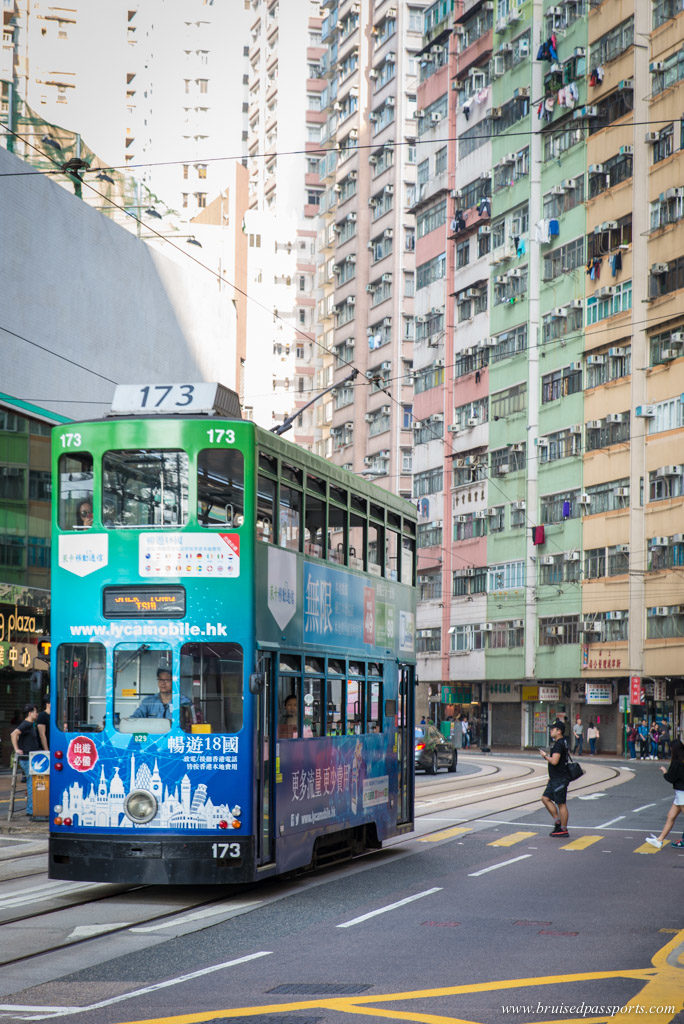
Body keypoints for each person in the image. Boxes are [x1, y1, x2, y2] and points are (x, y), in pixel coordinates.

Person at [645, 739, 684, 849]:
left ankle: (660, 840)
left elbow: (670, 778)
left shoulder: (676, 762)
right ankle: (659, 840)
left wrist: (664, 771)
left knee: (671, 817)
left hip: (682, 794)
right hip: (679, 794)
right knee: (670, 816)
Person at [540, 719, 570, 837]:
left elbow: (555, 761)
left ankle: (563, 829)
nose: (551, 731)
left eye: (553, 729)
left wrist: (545, 756)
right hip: (555, 778)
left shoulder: (559, 744)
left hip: (559, 779)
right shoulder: (563, 742)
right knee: (545, 798)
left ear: (559, 731)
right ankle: (557, 821)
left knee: (561, 803)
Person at [10, 704, 41, 816]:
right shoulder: (26, 724)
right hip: (27, 758)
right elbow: (14, 734)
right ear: (30, 713)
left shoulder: (30, 725)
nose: (37, 714)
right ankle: (31, 809)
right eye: (35, 712)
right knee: (31, 783)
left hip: (31, 758)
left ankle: (31, 808)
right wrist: (17, 749)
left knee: (32, 782)